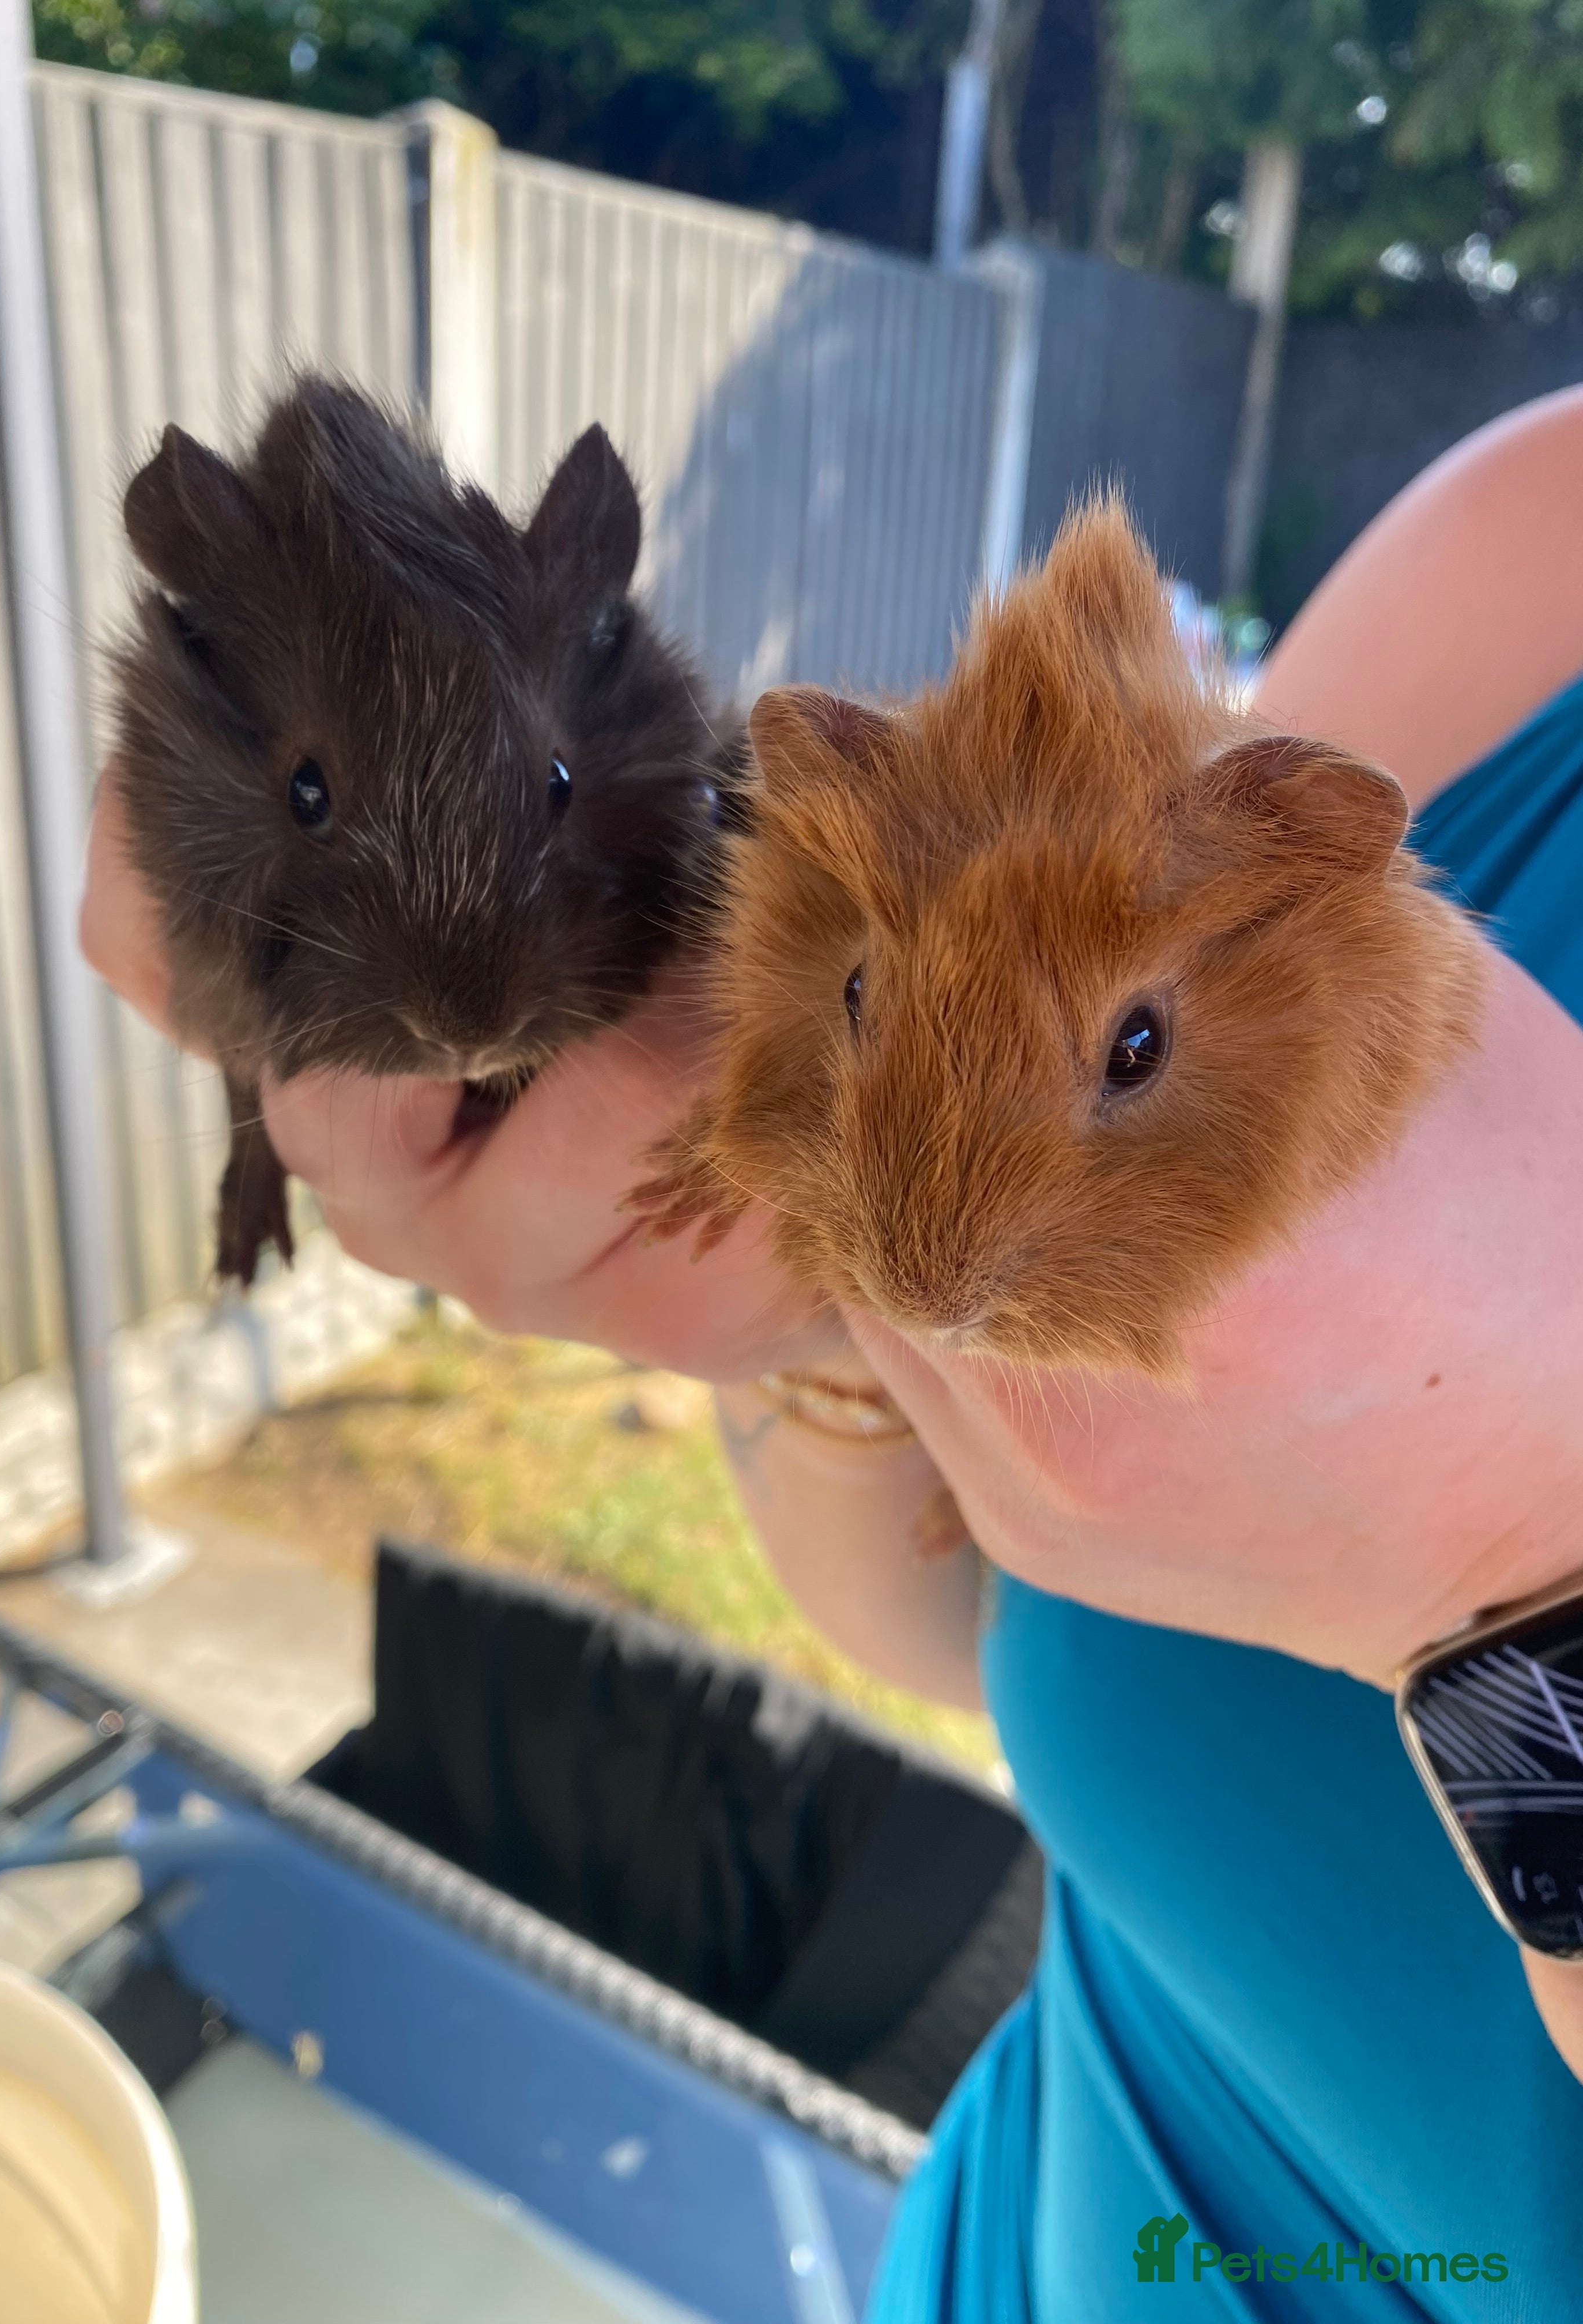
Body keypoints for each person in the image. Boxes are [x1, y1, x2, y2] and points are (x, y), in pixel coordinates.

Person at [83, 389, 1583, 2315]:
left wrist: (1523, 1562)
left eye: (1133, 1052)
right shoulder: (1513, 560)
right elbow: (972, 1633)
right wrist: (814, 1342)